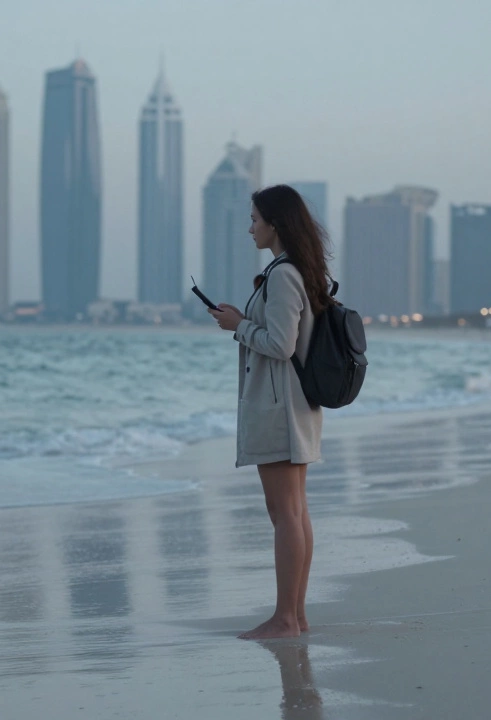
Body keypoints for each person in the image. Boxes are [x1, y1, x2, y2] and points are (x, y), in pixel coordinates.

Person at [209, 184, 332, 640]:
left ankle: (285, 618)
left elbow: (280, 344)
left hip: (279, 406)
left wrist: (238, 326)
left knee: (286, 514)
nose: (250, 228)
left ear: (275, 224)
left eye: (256, 220)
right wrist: (243, 321)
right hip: (295, 405)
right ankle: (295, 617)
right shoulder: (298, 271)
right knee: (295, 513)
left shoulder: (283, 275)